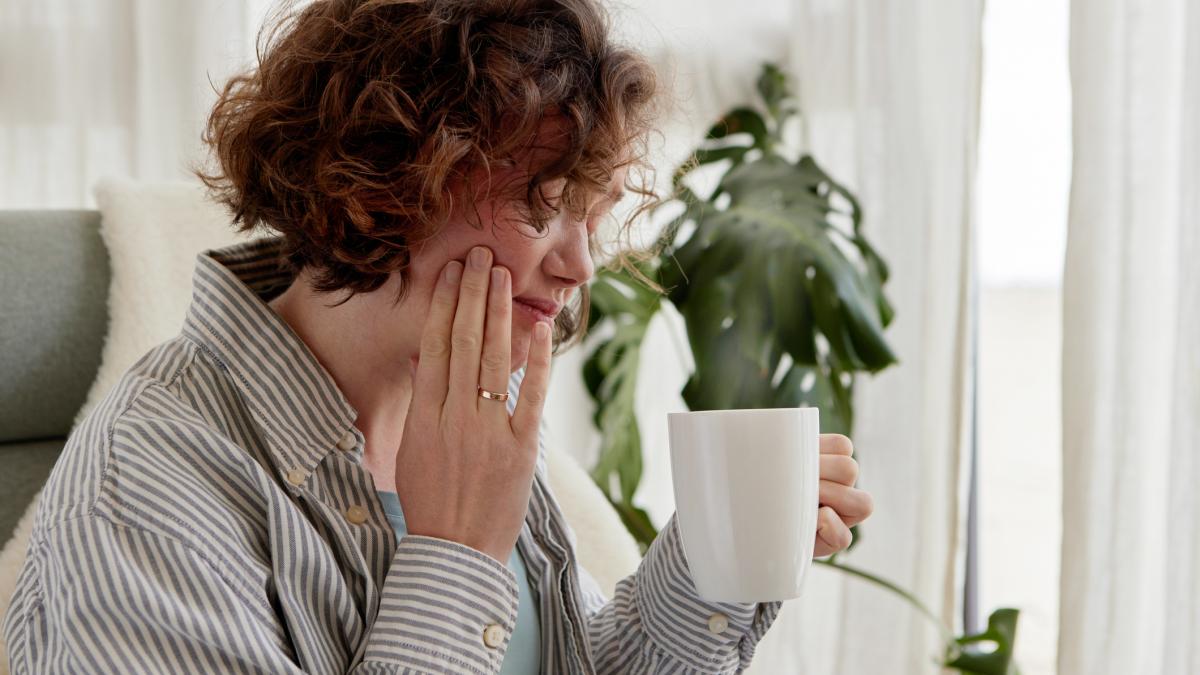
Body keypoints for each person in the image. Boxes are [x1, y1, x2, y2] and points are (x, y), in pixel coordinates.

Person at [2, 0, 875, 673]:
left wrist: (711, 560)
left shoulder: (467, 418)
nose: (579, 267)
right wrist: (453, 553)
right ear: (385, 178)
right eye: (545, 202)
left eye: (592, 217)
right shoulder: (148, 486)